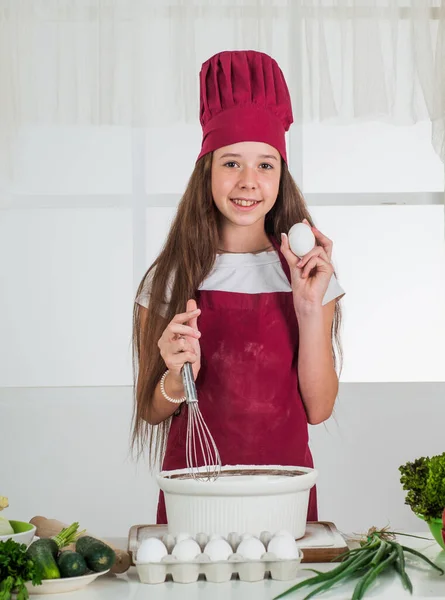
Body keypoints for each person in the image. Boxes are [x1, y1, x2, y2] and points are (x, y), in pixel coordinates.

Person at [132, 50, 345, 525]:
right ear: (206, 170)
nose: (249, 182)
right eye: (231, 163)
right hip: (194, 492)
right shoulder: (168, 279)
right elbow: (150, 410)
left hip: (284, 491)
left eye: (265, 165)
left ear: (280, 176)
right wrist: (173, 372)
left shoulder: (310, 276)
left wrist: (309, 309)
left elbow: (319, 407)